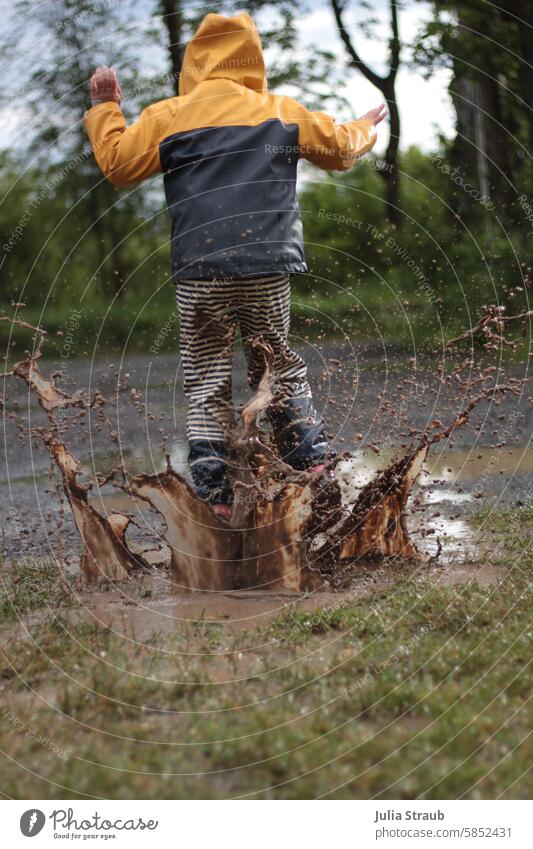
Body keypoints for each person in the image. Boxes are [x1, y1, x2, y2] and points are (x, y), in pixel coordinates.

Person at [84, 12, 386, 520]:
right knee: (278, 364)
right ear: (253, 60)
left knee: (206, 378)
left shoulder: (169, 115)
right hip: (266, 264)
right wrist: (363, 128)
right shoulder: (278, 109)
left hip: (200, 268)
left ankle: (218, 500)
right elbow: (338, 150)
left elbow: (117, 165)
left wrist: (105, 106)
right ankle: (312, 467)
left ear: (195, 62)